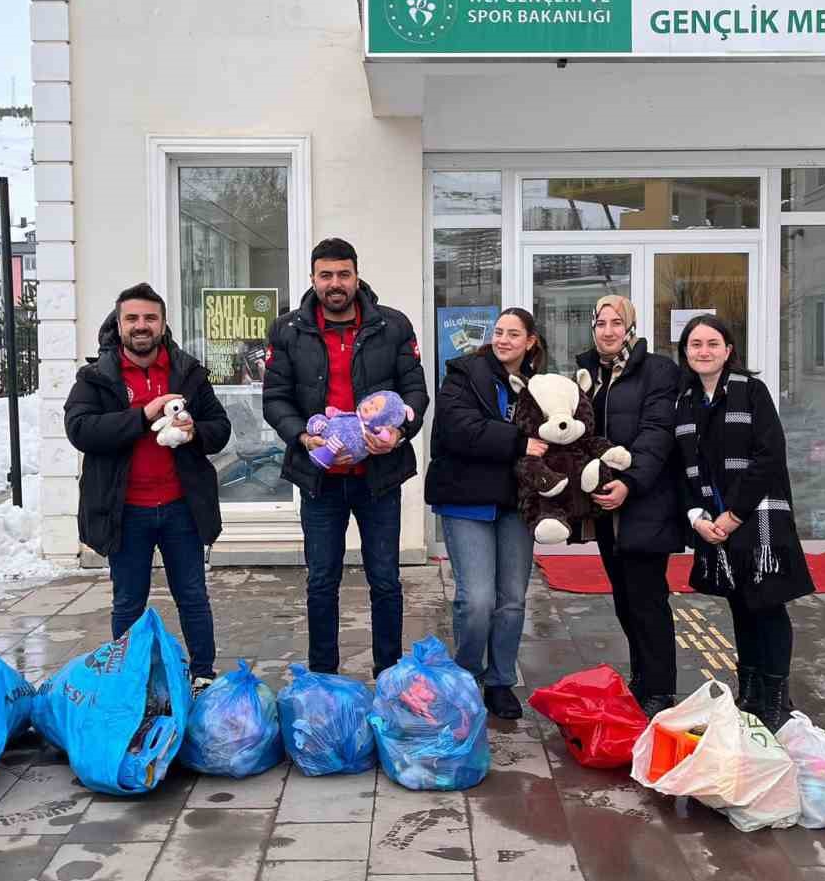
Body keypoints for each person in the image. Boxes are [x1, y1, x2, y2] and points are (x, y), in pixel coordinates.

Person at [263, 238, 429, 676]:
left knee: (385, 580)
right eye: (326, 275)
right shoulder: (287, 330)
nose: (335, 284)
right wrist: (301, 436)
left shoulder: (392, 326)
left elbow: (415, 390)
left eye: (343, 274)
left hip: (379, 476)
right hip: (320, 479)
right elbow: (276, 399)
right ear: (314, 278)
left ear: (356, 275)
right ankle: (323, 679)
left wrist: (399, 430)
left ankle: (389, 674)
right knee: (321, 582)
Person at [64, 283, 231, 693]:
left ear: (163, 324)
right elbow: (80, 429)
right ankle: (129, 679)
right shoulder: (96, 377)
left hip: (181, 507)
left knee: (192, 596)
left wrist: (195, 433)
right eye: (132, 318)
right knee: (128, 603)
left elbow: (221, 428)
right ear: (118, 324)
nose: (141, 326)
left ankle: (203, 674)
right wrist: (142, 416)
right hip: (125, 511)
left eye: (150, 318)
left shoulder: (188, 372)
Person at [675, 314, 815, 733]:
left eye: (712, 343)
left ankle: (776, 699)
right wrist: (699, 519)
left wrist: (734, 515)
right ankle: (750, 691)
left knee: (767, 607)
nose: (704, 351)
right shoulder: (684, 401)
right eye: (695, 344)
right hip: (713, 523)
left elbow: (769, 456)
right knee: (741, 608)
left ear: (729, 350)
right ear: (685, 352)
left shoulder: (751, 392)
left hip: (758, 521)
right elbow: (680, 467)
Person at [424, 308, 546, 720]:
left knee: (511, 600)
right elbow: (457, 429)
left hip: (516, 503)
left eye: (514, 334)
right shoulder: (463, 373)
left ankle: (499, 681)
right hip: (467, 499)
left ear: (530, 341)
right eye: (499, 332)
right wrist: (519, 442)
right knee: (476, 600)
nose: (504, 340)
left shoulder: (541, 385)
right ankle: (466, 676)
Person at [574, 296, 685, 719]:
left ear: (631, 328)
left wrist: (630, 483)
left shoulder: (658, 371)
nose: (607, 330)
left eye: (616, 323)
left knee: (647, 598)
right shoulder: (589, 374)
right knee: (623, 597)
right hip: (607, 506)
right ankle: (643, 679)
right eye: (600, 322)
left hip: (644, 501)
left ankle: (659, 690)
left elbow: (658, 434)